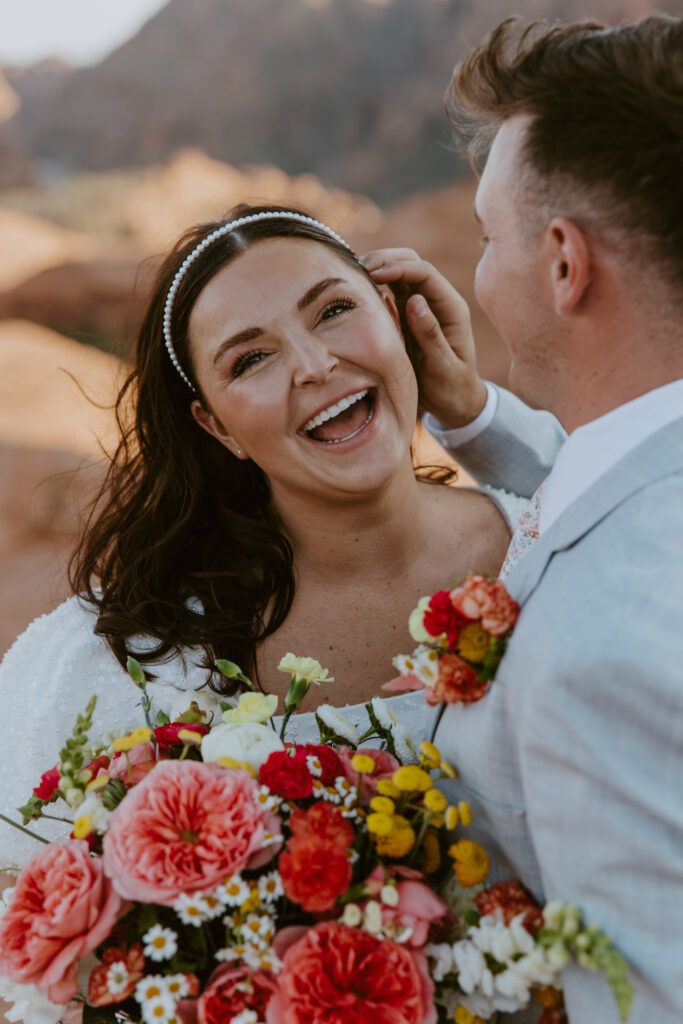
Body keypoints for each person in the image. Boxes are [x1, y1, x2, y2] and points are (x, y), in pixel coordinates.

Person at [0, 203, 518, 869]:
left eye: (333, 310)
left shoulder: (549, 535)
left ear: (393, 317)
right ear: (215, 427)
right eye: (250, 359)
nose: (312, 364)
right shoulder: (126, 670)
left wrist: (478, 416)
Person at [363, 14, 683, 1023]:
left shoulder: (598, 651)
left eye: (487, 236)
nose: (479, 271)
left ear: (560, 263)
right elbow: (621, 493)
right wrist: (470, 414)